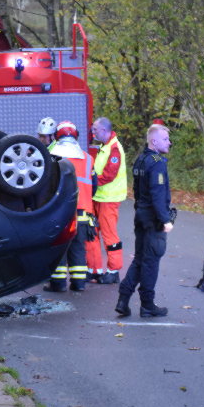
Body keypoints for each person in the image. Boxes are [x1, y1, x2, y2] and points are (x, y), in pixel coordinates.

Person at [115, 124, 173, 318]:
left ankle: (123, 299)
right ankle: (147, 304)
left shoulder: (141, 160)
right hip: (152, 220)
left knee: (140, 258)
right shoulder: (157, 162)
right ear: (154, 141)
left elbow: (138, 192)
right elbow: (157, 194)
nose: (169, 142)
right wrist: (165, 220)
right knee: (151, 261)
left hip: (141, 215)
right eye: (165, 139)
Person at [43, 121, 96, 292]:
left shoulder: (50, 156)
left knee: (58, 247)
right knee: (78, 247)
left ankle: (58, 283)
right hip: (83, 212)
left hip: (59, 211)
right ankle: (78, 283)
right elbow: (94, 185)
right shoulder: (88, 158)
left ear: (57, 136)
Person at [86, 117, 127, 284]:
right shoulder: (105, 146)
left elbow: (109, 174)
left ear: (104, 130)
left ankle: (113, 270)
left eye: (95, 129)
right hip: (99, 197)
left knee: (110, 235)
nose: (92, 132)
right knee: (92, 232)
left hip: (108, 199)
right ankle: (94, 269)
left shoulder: (114, 148)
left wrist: (92, 184)